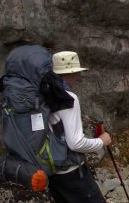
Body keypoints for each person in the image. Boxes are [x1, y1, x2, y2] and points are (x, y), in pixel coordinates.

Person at [49, 51, 111, 203]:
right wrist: (102, 141)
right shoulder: (68, 98)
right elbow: (75, 142)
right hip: (71, 171)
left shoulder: (45, 92)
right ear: (72, 72)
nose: (78, 77)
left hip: (51, 170)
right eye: (77, 73)